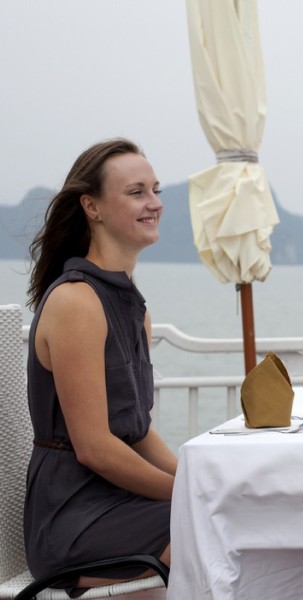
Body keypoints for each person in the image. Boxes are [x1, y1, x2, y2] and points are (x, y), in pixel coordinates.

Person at [24, 138, 175, 596]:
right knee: (218, 520)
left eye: (156, 190)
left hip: (117, 503)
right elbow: (94, 448)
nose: (154, 204)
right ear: (92, 206)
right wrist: (188, 494)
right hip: (73, 517)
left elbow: (136, 430)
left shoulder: (132, 306)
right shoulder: (77, 302)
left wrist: (197, 476)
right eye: (136, 192)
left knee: (228, 511)